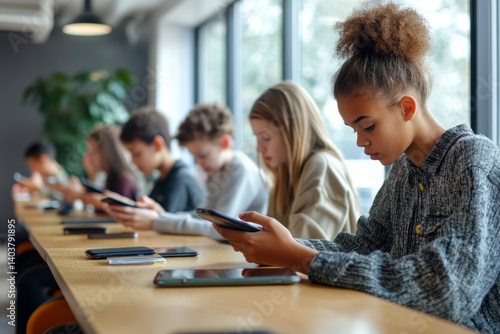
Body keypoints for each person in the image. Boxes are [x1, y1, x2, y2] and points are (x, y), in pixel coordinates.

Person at [213, 2, 500, 332]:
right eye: (354, 130)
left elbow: (448, 291)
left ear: (407, 107)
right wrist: (285, 246)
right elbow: (364, 246)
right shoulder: (405, 169)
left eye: (368, 126)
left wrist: (299, 257)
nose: (361, 141)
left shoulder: (473, 161)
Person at [104, 103, 268, 240]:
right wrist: (162, 216)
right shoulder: (219, 172)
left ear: (224, 142)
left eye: (202, 155)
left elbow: (219, 229)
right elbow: (204, 219)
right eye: (194, 156)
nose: (197, 163)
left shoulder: (240, 169)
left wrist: (158, 221)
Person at [249, 80, 360, 239]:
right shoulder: (285, 176)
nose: (259, 148)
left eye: (265, 138)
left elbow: (297, 249)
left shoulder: (322, 166)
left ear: (293, 132)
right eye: (257, 138)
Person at [117, 106, 205, 211]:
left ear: (157, 144)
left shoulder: (180, 179)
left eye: (137, 153)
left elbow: (165, 222)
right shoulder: (161, 179)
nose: (132, 162)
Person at [51, 124, 139, 212]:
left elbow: (116, 208)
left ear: (106, 152)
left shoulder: (123, 181)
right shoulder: (105, 176)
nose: (87, 156)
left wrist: (81, 195)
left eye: (92, 151)